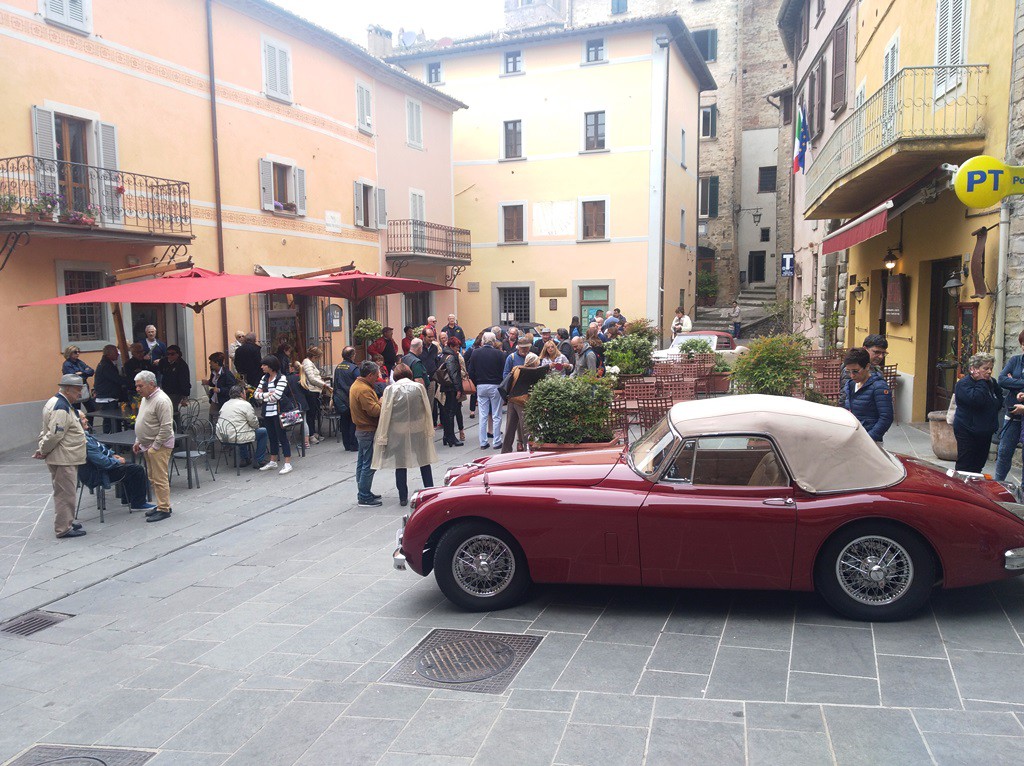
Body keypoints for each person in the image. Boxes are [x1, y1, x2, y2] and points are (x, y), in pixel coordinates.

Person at [372, 363, 437, 507]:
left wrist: (383, 434)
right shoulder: (418, 387)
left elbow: (386, 412)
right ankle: (429, 490)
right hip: (418, 427)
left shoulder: (390, 389)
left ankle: (402, 496)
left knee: (400, 463)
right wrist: (429, 427)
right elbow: (427, 407)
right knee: (424, 460)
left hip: (398, 429)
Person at [34, 375, 88, 538]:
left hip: (64, 456)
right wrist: (43, 449)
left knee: (64, 492)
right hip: (64, 458)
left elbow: (48, 431)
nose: (80, 394)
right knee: (65, 493)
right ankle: (63, 528)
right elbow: (54, 434)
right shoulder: (61, 406)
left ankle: (67, 521)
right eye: (78, 390)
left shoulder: (57, 402)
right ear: (67, 389)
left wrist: (42, 448)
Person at [132, 370, 175, 522]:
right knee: (152, 477)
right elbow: (142, 419)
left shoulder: (161, 400)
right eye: (136, 386)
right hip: (147, 445)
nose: (137, 389)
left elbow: (166, 427)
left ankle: (164, 508)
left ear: (151, 384)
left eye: (140, 386)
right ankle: (161, 504)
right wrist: (138, 440)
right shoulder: (146, 398)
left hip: (158, 446)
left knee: (159, 477)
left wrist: (155, 446)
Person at [79, 429, 155, 513]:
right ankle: (138, 503)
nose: (86, 420)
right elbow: (102, 461)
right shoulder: (85, 442)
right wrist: (117, 461)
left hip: (101, 469)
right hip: (100, 473)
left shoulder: (87, 436)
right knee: (137, 469)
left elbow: (102, 450)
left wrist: (113, 455)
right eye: (83, 418)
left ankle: (127, 500)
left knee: (129, 466)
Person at [953, 352, 1003, 473]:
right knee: (965, 465)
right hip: (967, 431)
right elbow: (977, 401)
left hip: (985, 431)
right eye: (985, 368)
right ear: (973, 369)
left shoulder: (991, 382)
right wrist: (981, 381)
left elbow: (999, 398)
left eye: (991, 368)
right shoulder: (963, 384)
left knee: (978, 464)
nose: (989, 372)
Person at [252, 356, 294, 475]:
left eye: (264, 365)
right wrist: (268, 394)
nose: (262, 367)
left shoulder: (282, 378)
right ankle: (273, 461)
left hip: (278, 412)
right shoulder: (264, 378)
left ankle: (287, 463)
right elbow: (255, 395)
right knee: (272, 437)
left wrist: (264, 395)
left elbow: (277, 396)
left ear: (271, 366)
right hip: (267, 412)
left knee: (282, 437)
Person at [842, 347, 893, 444]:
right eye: (848, 371)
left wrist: (868, 439)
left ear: (867, 367)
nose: (852, 375)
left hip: (870, 442)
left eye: (856, 371)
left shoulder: (879, 387)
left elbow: (886, 417)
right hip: (853, 438)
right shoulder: (851, 384)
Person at [351, 360, 383, 507]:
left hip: (362, 430)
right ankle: (364, 495)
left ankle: (363, 491)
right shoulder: (363, 389)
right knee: (368, 464)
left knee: (362, 462)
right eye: (376, 375)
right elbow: (374, 411)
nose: (378, 377)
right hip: (367, 430)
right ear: (370, 375)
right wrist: (382, 401)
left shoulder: (358, 385)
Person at [501, 353, 546, 453]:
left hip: (512, 400)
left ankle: (505, 451)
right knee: (526, 429)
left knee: (509, 429)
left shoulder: (517, 368)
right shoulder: (533, 371)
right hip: (523, 402)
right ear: (534, 363)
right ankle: (528, 450)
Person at [216, 385, 269, 468]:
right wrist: (255, 426)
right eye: (244, 392)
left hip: (223, 436)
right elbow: (254, 423)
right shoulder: (245, 404)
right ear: (241, 394)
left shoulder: (225, 404)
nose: (245, 394)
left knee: (240, 429)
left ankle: (245, 458)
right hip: (238, 435)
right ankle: (259, 460)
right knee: (263, 432)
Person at [469, 331, 505, 450]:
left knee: (483, 415)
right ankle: (496, 441)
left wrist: (476, 383)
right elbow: (503, 372)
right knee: (496, 414)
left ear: (483, 341)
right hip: (495, 385)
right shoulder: (499, 354)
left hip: (481, 385)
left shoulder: (475, 353)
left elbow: (471, 371)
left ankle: (483, 442)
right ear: (494, 341)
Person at [996, 330, 1024, 481]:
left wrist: (1013, 382)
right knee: (1004, 451)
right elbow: (1001, 380)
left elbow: (1008, 381)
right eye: (1023, 344)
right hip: (1012, 412)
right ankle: (998, 484)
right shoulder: (1015, 361)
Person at [839, 334, 889, 407]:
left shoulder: (877, 371)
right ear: (865, 349)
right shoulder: (852, 369)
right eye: (877, 352)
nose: (881, 356)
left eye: (883, 353)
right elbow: (845, 397)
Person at [437, 337, 466, 447]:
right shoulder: (452, 357)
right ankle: (451, 437)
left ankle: (446, 436)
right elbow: (454, 374)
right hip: (451, 388)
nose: (457, 349)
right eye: (456, 347)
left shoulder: (443, 355)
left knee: (446, 413)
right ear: (451, 346)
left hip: (444, 387)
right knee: (451, 413)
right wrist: (459, 389)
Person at [93, 344, 127, 433]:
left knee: (111, 421)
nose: (118, 354)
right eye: (115, 353)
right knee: (111, 421)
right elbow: (116, 379)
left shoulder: (107, 364)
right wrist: (130, 380)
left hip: (109, 397)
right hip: (107, 398)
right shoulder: (106, 365)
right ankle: (111, 442)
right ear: (108, 354)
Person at [155, 345, 191, 427]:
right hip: (165, 390)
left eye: (172, 354)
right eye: (168, 354)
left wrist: (185, 396)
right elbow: (160, 372)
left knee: (172, 410)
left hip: (176, 392)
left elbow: (185, 381)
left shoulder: (182, 365)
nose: (169, 356)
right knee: (164, 409)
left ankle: (175, 428)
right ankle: (169, 426)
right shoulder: (163, 362)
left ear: (178, 354)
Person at [332, 347, 359, 452]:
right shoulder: (354, 368)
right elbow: (359, 382)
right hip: (350, 397)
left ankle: (346, 444)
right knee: (353, 421)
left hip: (340, 398)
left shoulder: (338, 367)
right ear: (352, 355)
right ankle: (353, 445)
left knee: (344, 421)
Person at [300, 347, 329, 444]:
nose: (319, 359)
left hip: (314, 391)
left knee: (313, 413)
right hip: (311, 391)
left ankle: (313, 433)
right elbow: (312, 378)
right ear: (315, 356)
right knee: (311, 414)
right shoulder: (307, 363)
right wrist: (324, 385)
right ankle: (311, 434)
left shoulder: (309, 363)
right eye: (319, 357)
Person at [61, 344, 95, 420]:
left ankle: (88, 426)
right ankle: (80, 427)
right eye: (75, 352)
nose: (78, 353)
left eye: (78, 352)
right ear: (70, 353)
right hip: (74, 390)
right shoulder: (67, 364)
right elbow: (74, 377)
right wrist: (84, 372)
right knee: (76, 411)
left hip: (84, 388)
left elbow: (91, 371)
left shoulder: (79, 362)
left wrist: (81, 372)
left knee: (92, 409)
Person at [202, 352, 236, 420]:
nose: (209, 363)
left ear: (216, 363)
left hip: (224, 400)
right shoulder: (213, 372)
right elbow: (214, 383)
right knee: (212, 416)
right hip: (215, 399)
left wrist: (219, 390)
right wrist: (208, 382)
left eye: (211, 361)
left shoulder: (227, 374)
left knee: (223, 417)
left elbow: (232, 388)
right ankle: (212, 429)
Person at [287, 361, 312, 449]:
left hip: (292, 404)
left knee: (290, 423)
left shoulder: (288, 378)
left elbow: (286, 392)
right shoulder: (302, 378)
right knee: (304, 422)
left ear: (292, 368)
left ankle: (287, 441)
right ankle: (306, 442)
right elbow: (307, 392)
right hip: (303, 403)